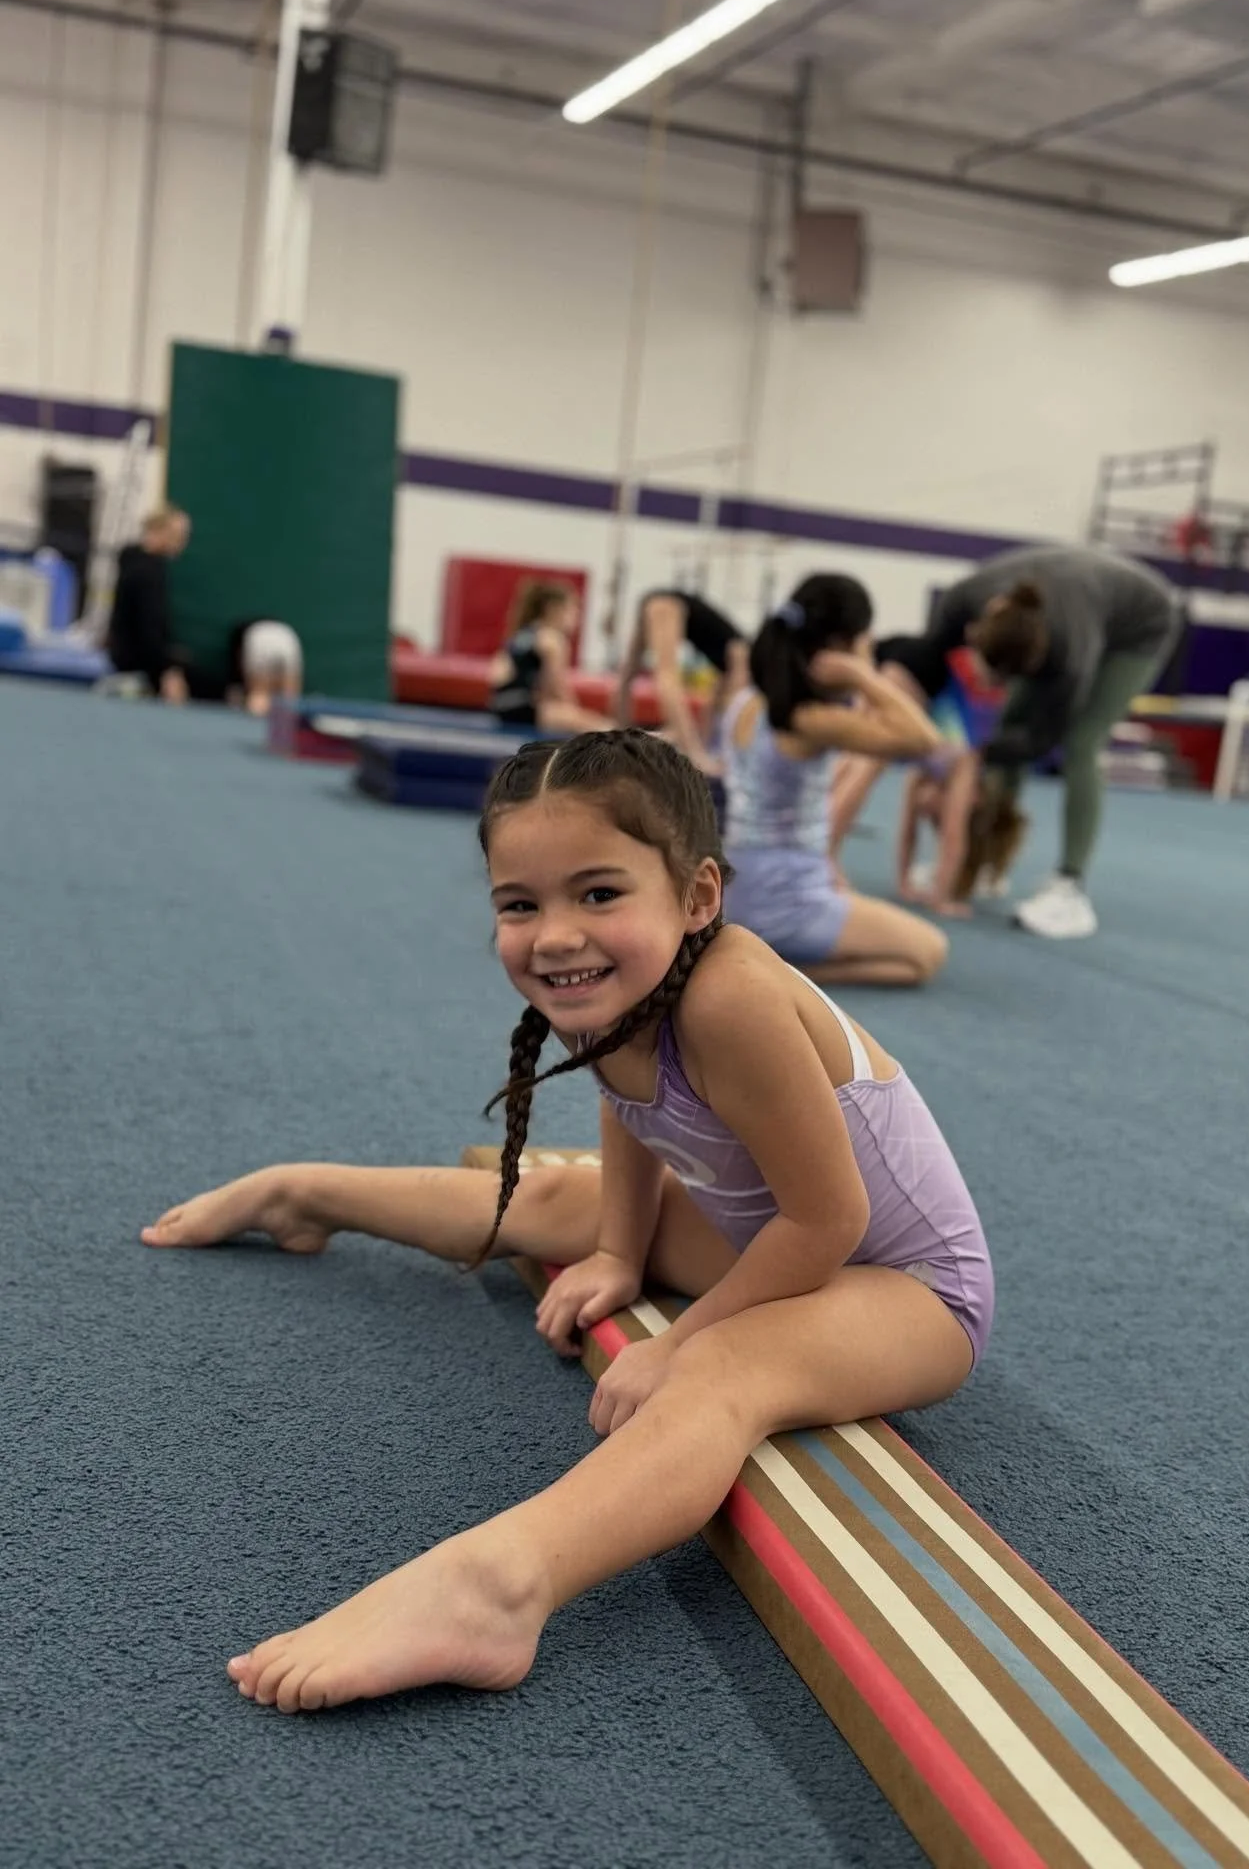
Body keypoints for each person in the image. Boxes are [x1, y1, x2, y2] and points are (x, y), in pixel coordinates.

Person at [139, 730, 992, 1714]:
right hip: (764, 1223)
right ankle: (304, 1192)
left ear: (699, 897)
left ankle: (501, 1586)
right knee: (551, 1200)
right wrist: (620, 1251)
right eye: (520, 904)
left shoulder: (732, 1001)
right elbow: (634, 1110)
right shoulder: (615, 985)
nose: (554, 936)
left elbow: (831, 1219)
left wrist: (685, 1340)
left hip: (911, 1288)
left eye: (599, 894)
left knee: (724, 1371)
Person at [928, 546, 1183, 940]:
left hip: (1141, 623)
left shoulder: (1070, 654)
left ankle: (1069, 885)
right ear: (974, 631)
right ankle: (986, 862)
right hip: (1074, 601)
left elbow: (1043, 740)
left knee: (1083, 743)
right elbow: (927, 664)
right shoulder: (963, 599)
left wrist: (979, 752)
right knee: (1006, 721)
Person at [722, 576, 948, 984]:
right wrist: (864, 677)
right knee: (928, 953)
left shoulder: (748, 700)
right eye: (865, 640)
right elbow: (925, 739)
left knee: (904, 954)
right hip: (783, 898)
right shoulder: (809, 720)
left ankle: (766, 959)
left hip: (740, 884)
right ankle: (775, 969)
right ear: (842, 647)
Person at [829, 632, 980, 917]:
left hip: (900, 662)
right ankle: (825, 855)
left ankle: (818, 847)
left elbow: (908, 831)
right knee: (865, 763)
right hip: (916, 671)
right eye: (935, 814)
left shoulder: (925, 774)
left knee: (852, 760)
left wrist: (904, 883)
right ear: (973, 799)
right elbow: (953, 836)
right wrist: (941, 899)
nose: (924, 809)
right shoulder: (963, 766)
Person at [614, 587, 749, 771]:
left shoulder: (733, 663)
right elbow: (732, 710)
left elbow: (711, 706)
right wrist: (698, 753)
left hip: (660, 601)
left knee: (628, 672)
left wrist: (699, 740)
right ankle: (693, 754)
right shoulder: (744, 656)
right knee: (667, 674)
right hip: (671, 604)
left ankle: (619, 733)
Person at [488, 580, 614, 735]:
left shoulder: (523, 633)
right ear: (554, 610)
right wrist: (578, 715)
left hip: (501, 707)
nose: (577, 617)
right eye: (574, 609)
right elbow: (558, 689)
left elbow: (499, 675)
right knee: (607, 731)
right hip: (525, 709)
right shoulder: (553, 640)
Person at [106, 506, 191, 703]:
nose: (182, 542)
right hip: (140, 668)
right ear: (158, 532)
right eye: (177, 535)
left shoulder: (134, 563)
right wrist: (167, 671)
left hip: (128, 660)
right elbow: (149, 626)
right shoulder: (148, 573)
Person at [225, 619, 304, 717]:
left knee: (260, 695)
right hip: (287, 635)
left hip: (260, 636)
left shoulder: (254, 634)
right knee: (289, 700)